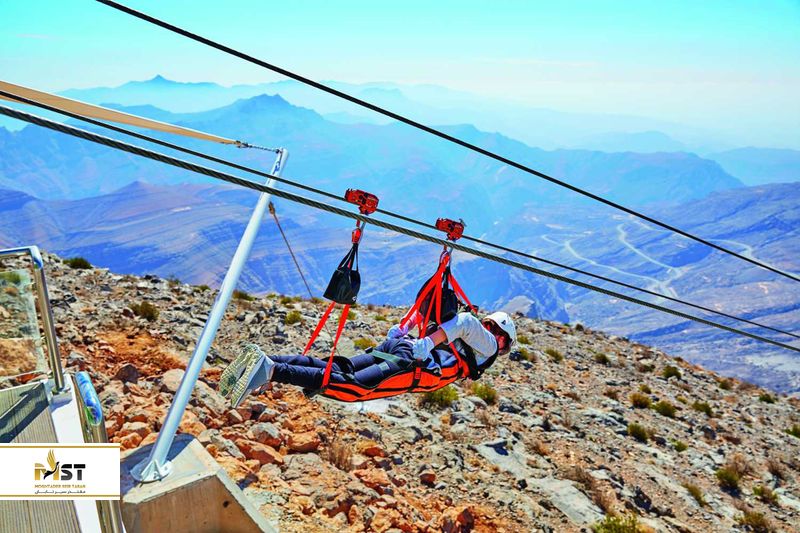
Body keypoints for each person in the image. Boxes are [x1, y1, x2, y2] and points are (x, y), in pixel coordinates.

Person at [218, 310, 517, 408]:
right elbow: (464, 321)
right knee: (355, 388)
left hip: (403, 348)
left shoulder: (463, 339)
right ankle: (270, 369)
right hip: (414, 363)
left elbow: (427, 309)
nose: (499, 349)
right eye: (504, 344)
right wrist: (427, 342)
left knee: (336, 367)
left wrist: (405, 328)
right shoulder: (488, 346)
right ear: (501, 335)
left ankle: (264, 359)